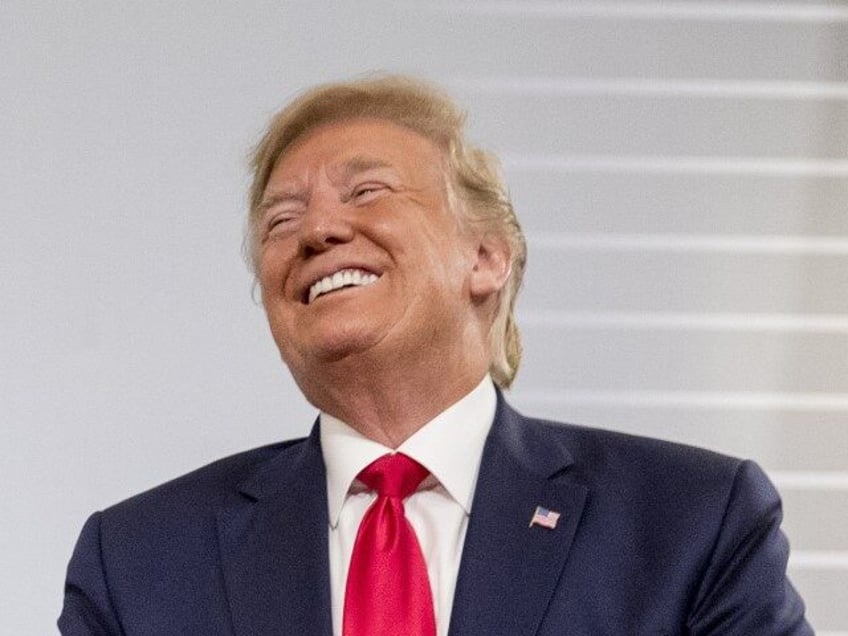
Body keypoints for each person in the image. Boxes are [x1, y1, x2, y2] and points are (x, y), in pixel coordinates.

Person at [59, 75, 812, 635]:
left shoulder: (691, 524)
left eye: (366, 192)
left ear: (485, 256)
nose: (317, 231)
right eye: (280, 219)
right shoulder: (136, 562)